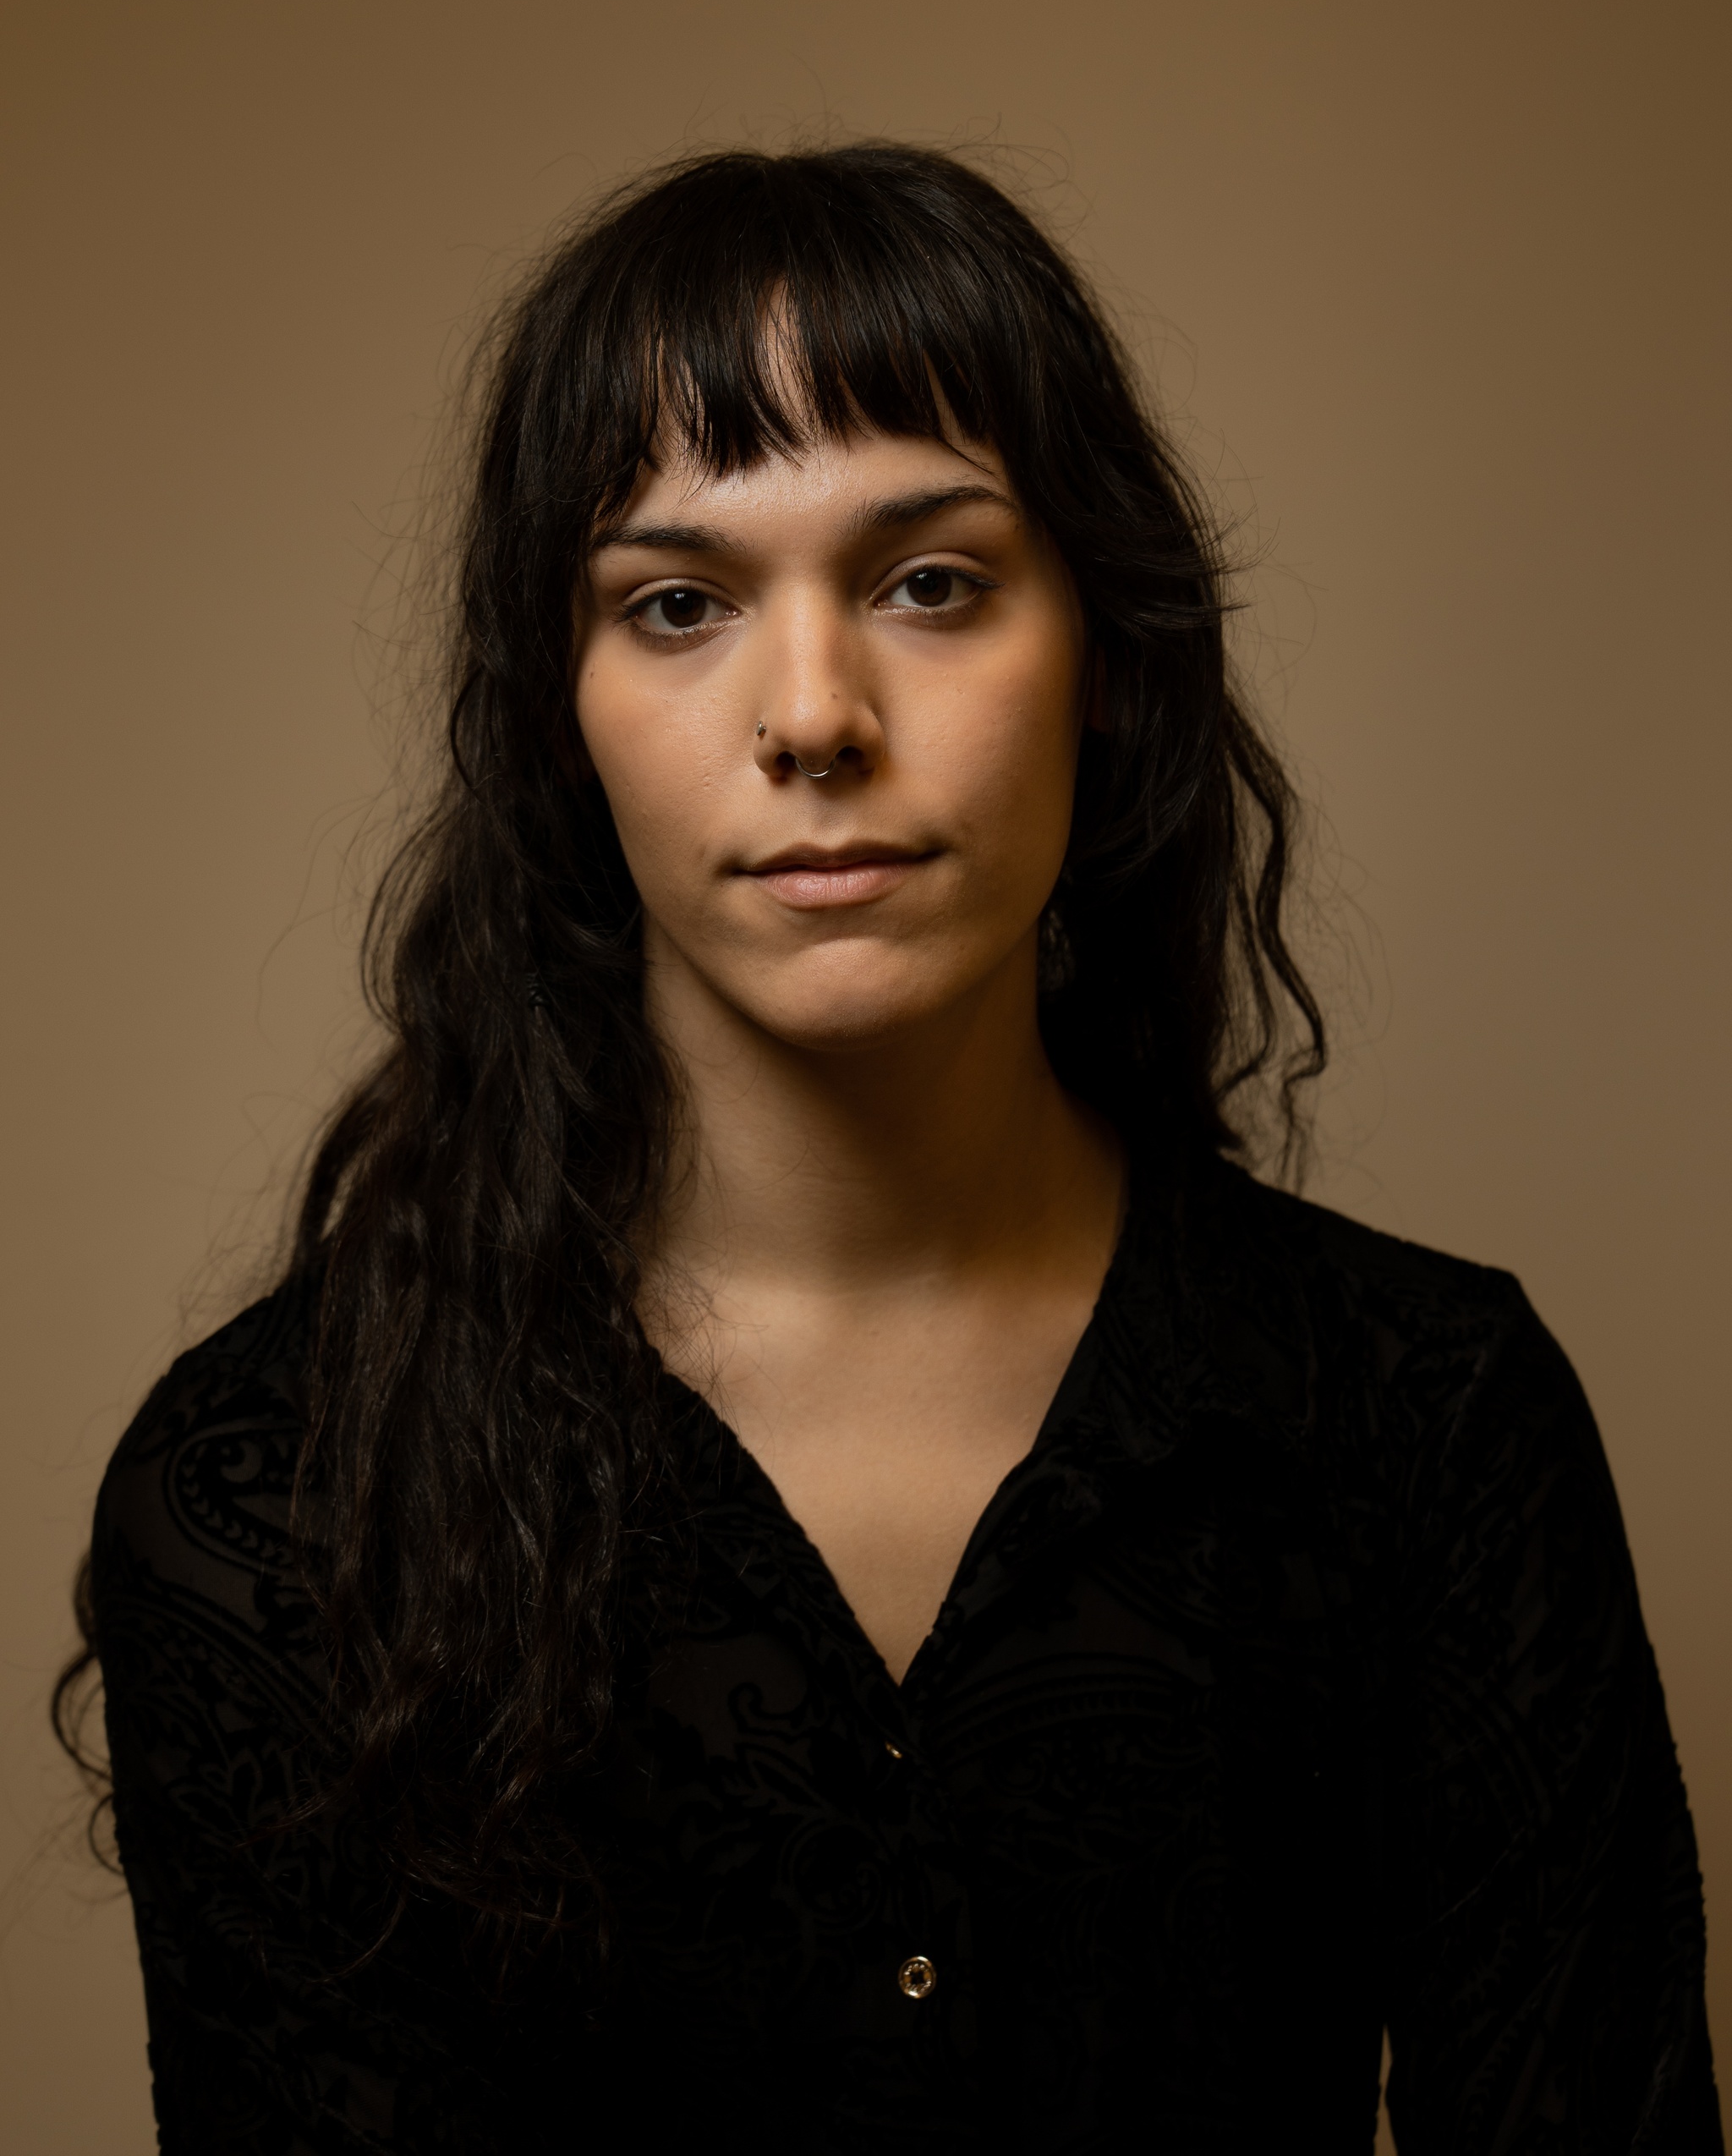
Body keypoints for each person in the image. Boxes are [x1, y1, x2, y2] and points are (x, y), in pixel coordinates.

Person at [58, 143, 1718, 2153]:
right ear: (556, 717)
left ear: (1101, 656)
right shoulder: (278, 1496)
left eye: (930, 581)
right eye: (675, 603)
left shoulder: (1427, 1424)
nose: (815, 713)